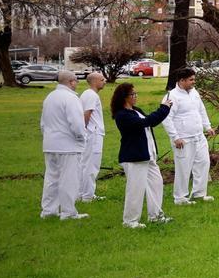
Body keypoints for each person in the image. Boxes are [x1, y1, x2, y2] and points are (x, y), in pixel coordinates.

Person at [111, 82, 173, 229]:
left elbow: (150, 123)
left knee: (156, 184)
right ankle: (130, 221)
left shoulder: (135, 110)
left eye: (136, 93)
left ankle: (156, 215)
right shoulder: (122, 115)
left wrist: (164, 109)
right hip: (134, 157)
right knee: (135, 189)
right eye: (133, 94)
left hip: (147, 155)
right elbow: (147, 122)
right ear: (124, 97)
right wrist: (164, 108)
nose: (136, 96)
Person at [162, 67, 216, 204]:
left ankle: (199, 193)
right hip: (183, 139)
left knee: (203, 163)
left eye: (194, 79)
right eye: (191, 80)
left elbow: (201, 110)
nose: (194, 82)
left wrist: (207, 126)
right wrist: (175, 137)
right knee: (183, 168)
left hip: (198, 136)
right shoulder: (172, 96)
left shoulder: (194, 93)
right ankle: (180, 197)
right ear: (182, 80)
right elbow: (166, 118)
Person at [40, 69, 88, 220]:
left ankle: (48, 211)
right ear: (71, 82)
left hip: (50, 143)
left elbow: (43, 123)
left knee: (51, 178)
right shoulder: (71, 98)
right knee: (69, 179)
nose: (77, 84)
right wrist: (82, 138)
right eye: (76, 81)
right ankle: (68, 212)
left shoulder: (50, 97)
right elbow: (77, 123)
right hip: (68, 145)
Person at [77, 71, 107, 202]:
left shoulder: (87, 94)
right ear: (94, 82)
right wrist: (83, 131)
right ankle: (87, 195)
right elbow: (86, 114)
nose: (105, 81)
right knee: (91, 165)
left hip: (91, 133)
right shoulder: (91, 95)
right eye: (102, 79)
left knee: (85, 164)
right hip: (93, 134)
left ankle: (82, 193)